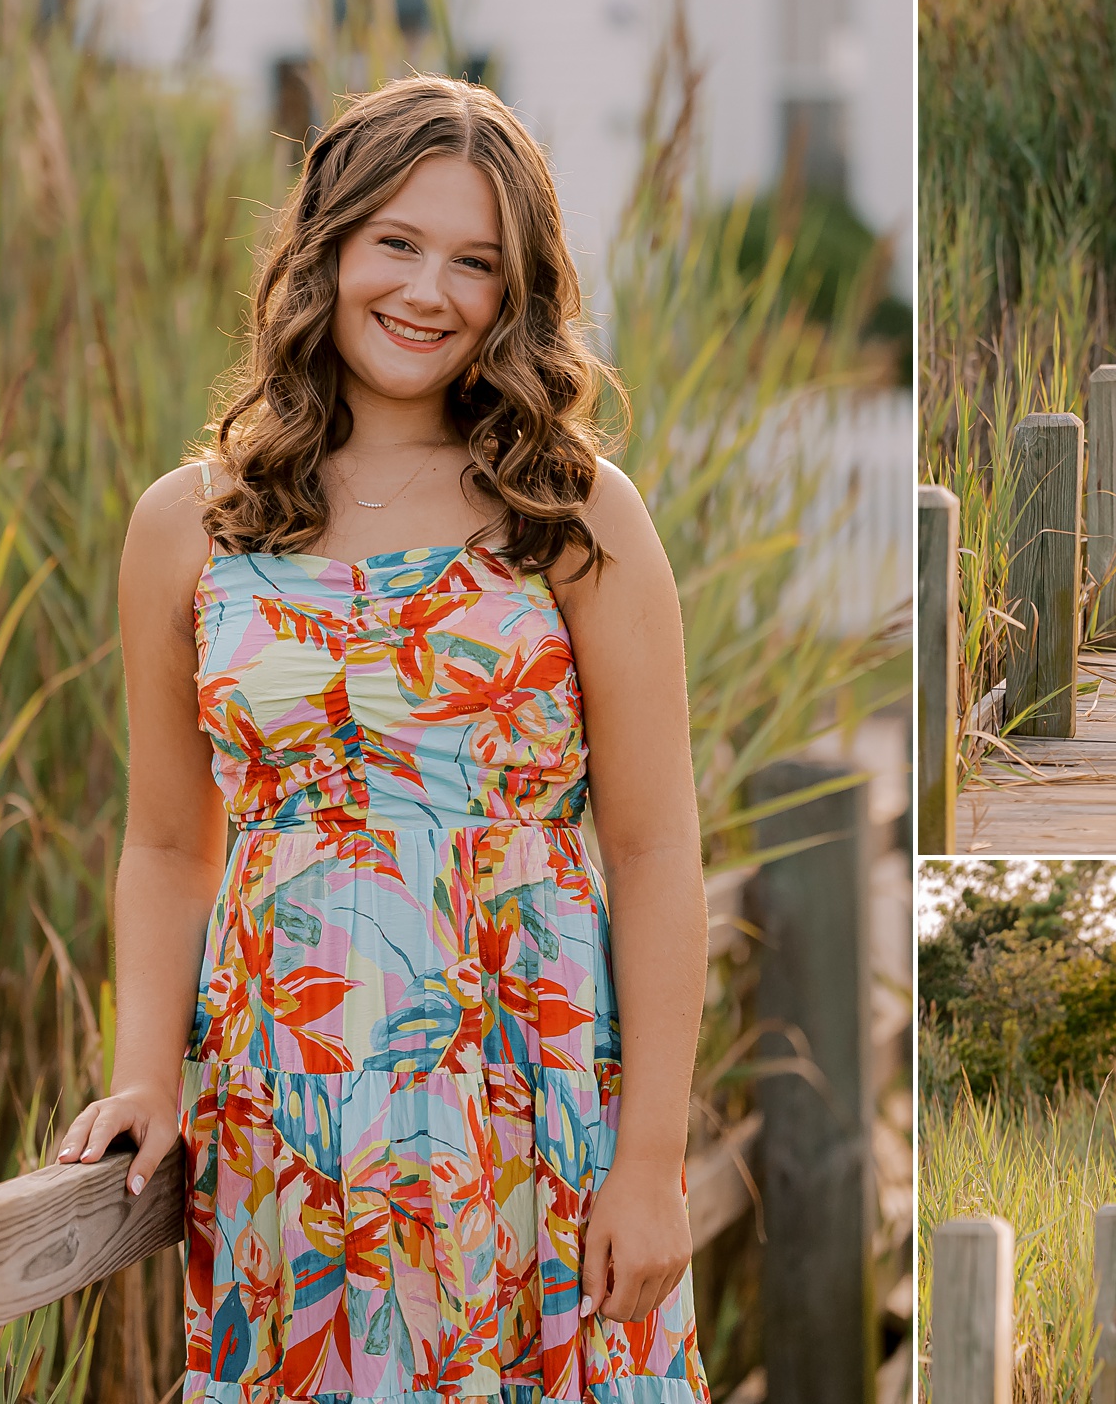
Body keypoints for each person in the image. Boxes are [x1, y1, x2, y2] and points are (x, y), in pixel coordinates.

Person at [53, 75, 712, 1401]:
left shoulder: (571, 513)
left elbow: (651, 850)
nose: (429, 292)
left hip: (528, 1112)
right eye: (397, 244)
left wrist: (648, 1165)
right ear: (326, 246)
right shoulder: (190, 524)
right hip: (292, 1115)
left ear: (516, 292)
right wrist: (144, 1078)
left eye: (476, 262)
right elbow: (170, 842)